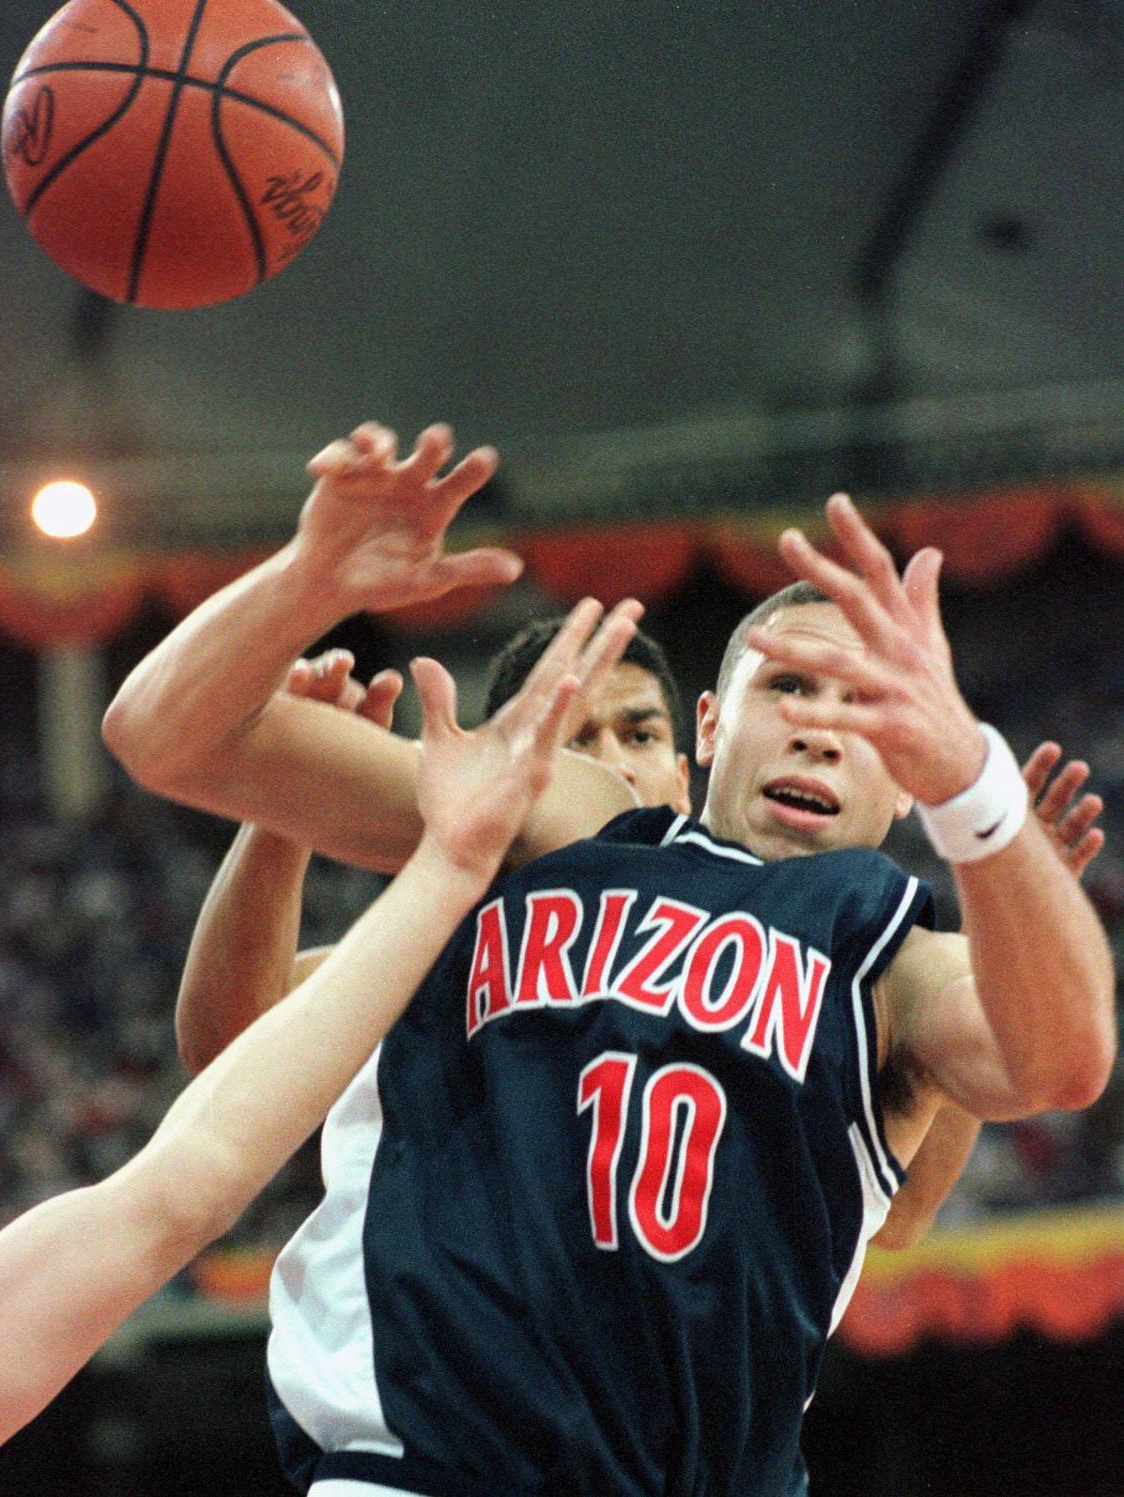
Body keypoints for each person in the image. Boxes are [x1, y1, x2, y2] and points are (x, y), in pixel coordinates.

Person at [102, 421, 1116, 1497]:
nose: (822, 729)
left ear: (911, 772)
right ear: (713, 730)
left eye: (869, 704)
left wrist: (984, 808)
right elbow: (166, 738)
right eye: (792, 690)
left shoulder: (897, 957)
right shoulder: (574, 826)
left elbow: (1059, 1064)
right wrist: (307, 582)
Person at [0, 601, 639, 1496]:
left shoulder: (783, 973)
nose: (597, 766)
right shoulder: (441, 961)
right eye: (565, 739)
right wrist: (304, 818)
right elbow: (214, 1091)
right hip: (424, 1454)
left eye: (636, 734)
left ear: (694, 764)